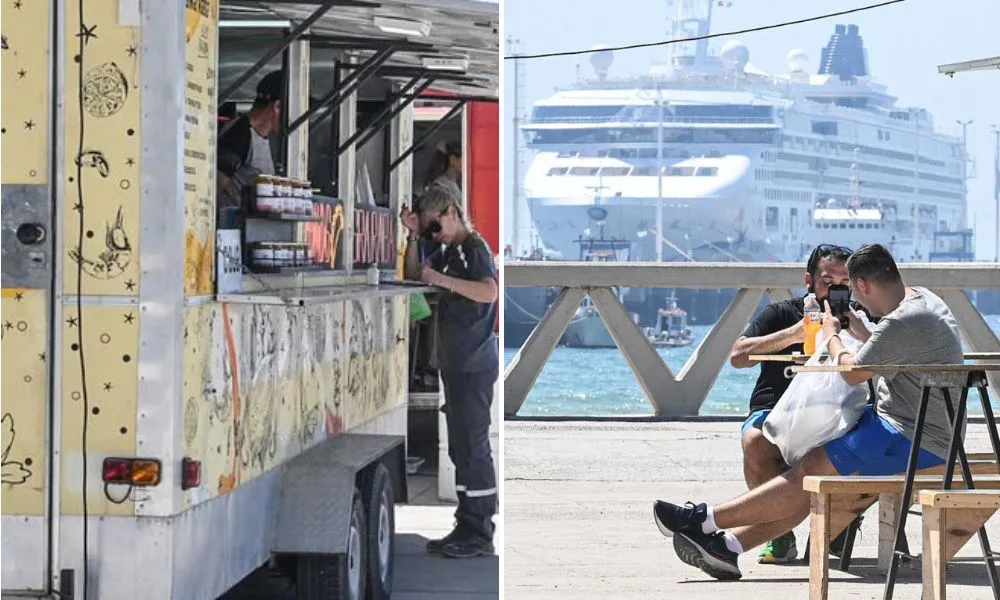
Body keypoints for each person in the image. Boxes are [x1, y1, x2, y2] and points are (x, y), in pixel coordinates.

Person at [654, 244, 960, 581]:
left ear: (864, 286)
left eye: (851, 289)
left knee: (808, 475)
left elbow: (852, 372)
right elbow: (888, 351)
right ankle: (726, 546)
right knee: (807, 477)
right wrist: (858, 331)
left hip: (915, 437)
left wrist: (831, 336)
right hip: (905, 423)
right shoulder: (922, 299)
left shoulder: (902, 321)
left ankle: (701, 519)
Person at [728, 243, 852, 564]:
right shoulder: (783, 313)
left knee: (866, 439)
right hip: (776, 409)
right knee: (755, 440)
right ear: (809, 280)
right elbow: (738, 356)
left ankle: (838, 525)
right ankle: (778, 534)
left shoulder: (859, 319)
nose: (836, 289)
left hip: (834, 413)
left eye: (844, 283)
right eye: (828, 282)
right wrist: (794, 334)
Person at [400, 182, 499, 559]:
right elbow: (415, 274)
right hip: (456, 363)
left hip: (473, 364)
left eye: (435, 227)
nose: (434, 235)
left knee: (473, 447)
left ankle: (479, 529)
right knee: (460, 447)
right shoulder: (449, 250)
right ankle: (466, 522)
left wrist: (441, 280)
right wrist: (413, 238)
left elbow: (488, 291)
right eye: (429, 229)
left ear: (453, 213)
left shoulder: (473, 248)